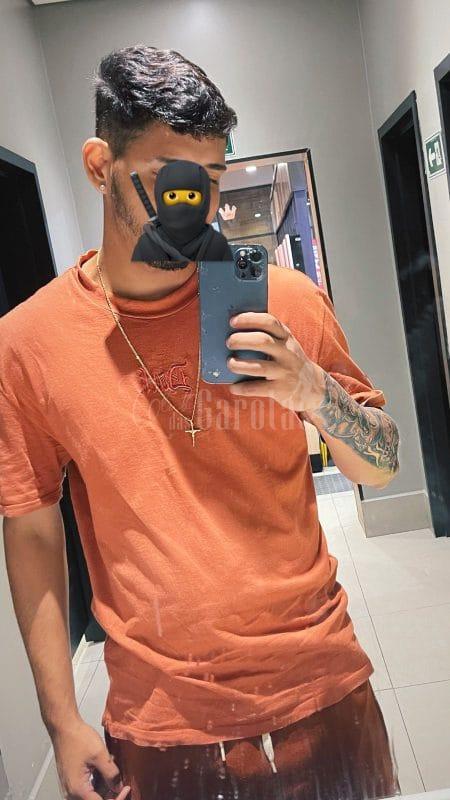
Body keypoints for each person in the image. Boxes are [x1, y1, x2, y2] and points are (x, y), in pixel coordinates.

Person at [0, 45, 401, 800]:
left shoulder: (285, 300)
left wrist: (315, 393)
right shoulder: (28, 344)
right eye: (167, 177)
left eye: (211, 178)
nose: (196, 205)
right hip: (161, 722)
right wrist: (60, 718)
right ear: (99, 166)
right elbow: (31, 530)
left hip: (321, 689)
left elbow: (381, 466)